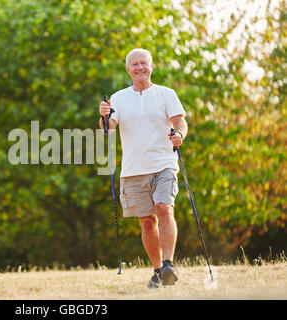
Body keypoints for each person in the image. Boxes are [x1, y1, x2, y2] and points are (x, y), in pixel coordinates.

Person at [98, 48, 188, 288]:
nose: (140, 67)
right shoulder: (118, 98)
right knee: (147, 222)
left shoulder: (166, 94)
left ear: (151, 66)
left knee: (164, 208)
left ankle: (169, 263)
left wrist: (179, 134)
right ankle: (158, 271)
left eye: (144, 63)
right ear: (128, 69)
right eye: (135, 64)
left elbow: (180, 121)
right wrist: (104, 115)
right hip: (133, 169)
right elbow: (108, 128)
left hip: (163, 164)